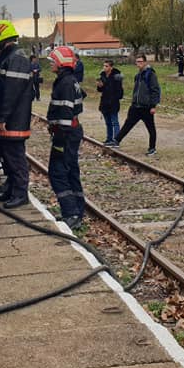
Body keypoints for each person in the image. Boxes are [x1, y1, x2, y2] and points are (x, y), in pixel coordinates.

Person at [0, 20, 34, 208]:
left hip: (13, 119)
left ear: (1, 40)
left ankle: (21, 192)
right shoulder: (8, 57)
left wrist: (3, 117)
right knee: (6, 153)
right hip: (8, 118)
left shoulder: (16, 59)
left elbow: (11, 91)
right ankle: (12, 186)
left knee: (15, 156)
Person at [46, 46, 87, 230]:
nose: (51, 64)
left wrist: (60, 141)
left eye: (53, 61)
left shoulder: (65, 84)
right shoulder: (70, 81)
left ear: (61, 63)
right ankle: (77, 209)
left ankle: (71, 213)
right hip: (71, 132)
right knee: (71, 171)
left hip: (66, 134)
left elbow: (65, 112)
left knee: (58, 172)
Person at [114, 53, 161, 155]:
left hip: (146, 107)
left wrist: (153, 105)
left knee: (151, 128)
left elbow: (155, 90)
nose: (138, 64)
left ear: (144, 62)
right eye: (137, 62)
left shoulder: (150, 75)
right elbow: (136, 90)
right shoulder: (138, 75)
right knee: (128, 124)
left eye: (140, 62)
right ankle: (116, 140)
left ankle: (152, 148)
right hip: (136, 106)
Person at [96, 59, 124, 144]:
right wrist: (100, 86)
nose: (104, 67)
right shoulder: (102, 75)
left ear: (111, 67)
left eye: (106, 66)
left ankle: (116, 140)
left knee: (114, 121)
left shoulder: (116, 76)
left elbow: (120, 91)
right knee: (108, 122)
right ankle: (109, 138)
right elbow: (100, 90)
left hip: (113, 102)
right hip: (104, 102)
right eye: (104, 66)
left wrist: (115, 98)